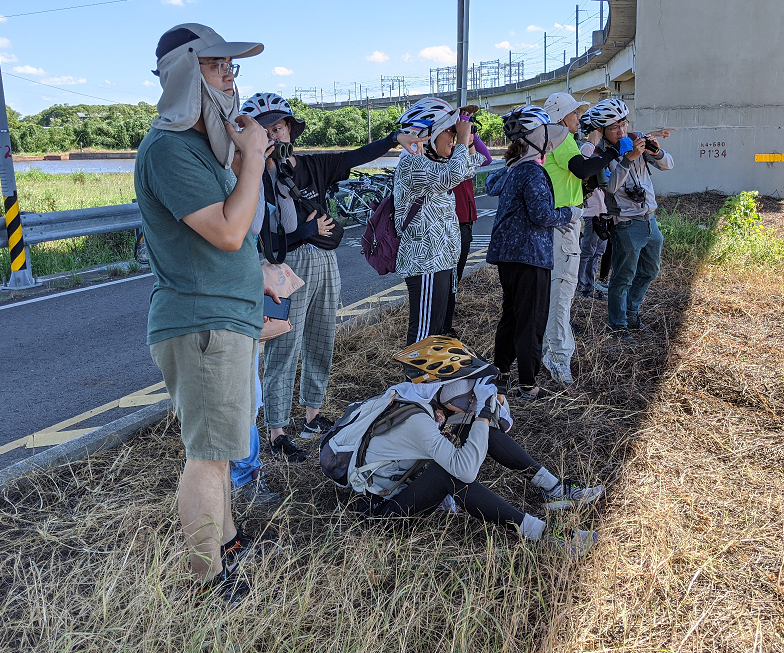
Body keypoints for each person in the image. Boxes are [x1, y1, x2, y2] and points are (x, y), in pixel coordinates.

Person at [135, 22, 273, 601]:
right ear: (188, 74)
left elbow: (239, 236)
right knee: (210, 456)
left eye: (231, 68)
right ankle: (207, 579)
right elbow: (225, 230)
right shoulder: (168, 149)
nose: (230, 80)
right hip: (203, 325)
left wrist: (259, 278)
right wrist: (255, 160)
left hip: (224, 319)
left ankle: (227, 545)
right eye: (218, 67)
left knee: (224, 448)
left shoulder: (198, 147)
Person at [239, 93, 426, 463]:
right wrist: (303, 234)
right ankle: (277, 429)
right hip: (282, 267)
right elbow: (259, 238)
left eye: (277, 127)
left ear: (290, 129)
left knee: (322, 338)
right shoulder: (252, 177)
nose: (271, 136)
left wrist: (393, 139)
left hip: (325, 262)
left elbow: (353, 157)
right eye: (262, 130)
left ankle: (312, 414)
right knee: (283, 347)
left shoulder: (311, 167)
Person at [321, 336, 602, 555]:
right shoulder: (416, 420)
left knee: (474, 430)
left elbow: (493, 429)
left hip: (399, 484)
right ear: (440, 386)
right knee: (450, 475)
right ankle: (544, 536)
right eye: (465, 385)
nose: (471, 391)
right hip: (383, 512)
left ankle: (554, 488)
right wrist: (481, 412)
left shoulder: (418, 399)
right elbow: (465, 471)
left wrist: (482, 416)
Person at [486, 106, 584, 400]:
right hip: (530, 255)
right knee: (531, 319)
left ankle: (500, 373)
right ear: (535, 140)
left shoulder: (513, 169)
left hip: (507, 255)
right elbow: (542, 214)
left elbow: (493, 186)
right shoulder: (533, 171)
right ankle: (529, 384)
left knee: (512, 316)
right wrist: (571, 213)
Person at [538, 92, 612, 385]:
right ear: (561, 116)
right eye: (575, 113)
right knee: (561, 292)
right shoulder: (562, 138)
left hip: (558, 224)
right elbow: (580, 167)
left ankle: (548, 348)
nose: (578, 118)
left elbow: (576, 170)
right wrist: (608, 153)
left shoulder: (552, 139)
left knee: (555, 292)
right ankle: (557, 358)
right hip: (562, 227)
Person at [393, 99, 481, 345]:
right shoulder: (412, 163)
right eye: (448, 130)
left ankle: (432, 381)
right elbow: (454, 174)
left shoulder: (433, 163)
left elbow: (470, 168)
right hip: (426, 262)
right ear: (426, 134)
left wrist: (468, 136)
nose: (453, 136)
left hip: (441, 260)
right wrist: (462, 136)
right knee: (424, 333)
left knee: (437, 329)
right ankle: (417, 382)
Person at [590, 98, 674, 334]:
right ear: (601, 130)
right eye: (615, 128)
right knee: (623, 276)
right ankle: (619, 325)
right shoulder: (600, 154)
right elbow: (609, 187)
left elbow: (668, 165)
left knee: (650, 270)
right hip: (626, 223)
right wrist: (627, 160)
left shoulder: (635, 140)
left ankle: (631, 311)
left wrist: (656, 152)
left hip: (650, 219)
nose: (622, 131)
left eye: (623, 124)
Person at [442, 106, 494, 336]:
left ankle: (446, 324)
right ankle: (443, 326)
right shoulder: (447, 155)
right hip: (454, 223)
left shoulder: (462, 152)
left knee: (454, 280)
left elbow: (486, 159)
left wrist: (472, 133)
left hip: (465, 223)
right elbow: (475, 160)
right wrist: (463, 136)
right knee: (448, 281)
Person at [575, 109, 610, 300]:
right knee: (588, 251)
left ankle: (591, 284)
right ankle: (583, 288)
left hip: (603, 210)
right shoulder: (587, 149)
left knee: (597, 251)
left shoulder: (599, 150)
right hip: (593, 211)